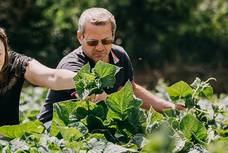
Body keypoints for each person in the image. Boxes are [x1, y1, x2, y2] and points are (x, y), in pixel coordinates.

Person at [38, 7, 184, 128]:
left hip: (90, 125)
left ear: (113, 35)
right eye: (92, 42)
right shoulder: (72, 66)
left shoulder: (119, 55)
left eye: (106, 40)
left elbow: (130, 89)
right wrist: (139, 125)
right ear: (80, 37)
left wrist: (171, 109)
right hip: (55, 128)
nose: (100, 47)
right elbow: (99, 101)